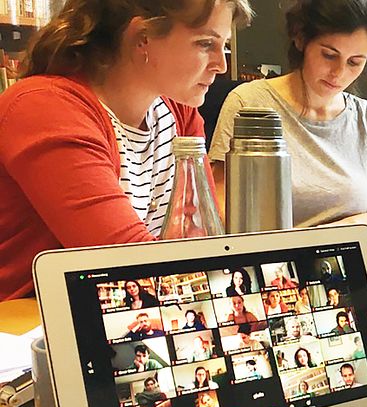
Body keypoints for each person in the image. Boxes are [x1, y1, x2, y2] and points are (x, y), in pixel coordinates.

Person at [0, 0, 253, 302]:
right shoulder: (43, 108)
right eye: (205, 44)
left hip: (121, 308)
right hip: (27, 322)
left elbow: (202, 240)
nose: (221, 65)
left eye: (222, 44)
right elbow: (128, 263)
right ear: (142, 37)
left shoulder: (179, 111)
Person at [208, 0, 367, 233]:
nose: (339, 73)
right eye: (329, 55)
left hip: (347, 255)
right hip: (277, 262)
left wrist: (352, 226)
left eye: (354, 62)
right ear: (301, 39)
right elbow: (218, 207)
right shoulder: (249, 104)